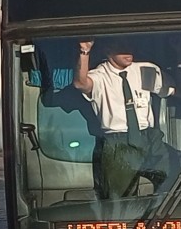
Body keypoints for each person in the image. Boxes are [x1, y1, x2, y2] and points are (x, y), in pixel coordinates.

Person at [73, 38, 175, 198]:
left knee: (174, 181)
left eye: (131, 45)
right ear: (108, 51)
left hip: (149, 136)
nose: (128, 51)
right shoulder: (100, 75)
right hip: (118, 142)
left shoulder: (145, 69)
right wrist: (85, 52)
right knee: (120, 200)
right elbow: (81, 84)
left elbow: (176, 91)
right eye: (122, 47)